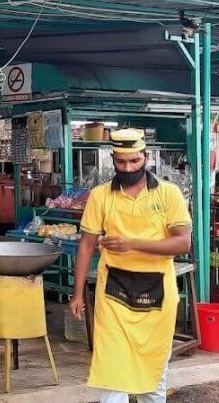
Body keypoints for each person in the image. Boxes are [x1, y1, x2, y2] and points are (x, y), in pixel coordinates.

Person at [68, 129, 193, 403]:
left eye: (134, 161)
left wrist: (132, 244)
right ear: (112, 159)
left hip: (157, 294)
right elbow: (87, 244)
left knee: (153, 371)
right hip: (114, 293)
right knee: (113, 371)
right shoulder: (100, 196)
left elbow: (183, 243)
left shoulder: (169, 194)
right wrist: (78, 292)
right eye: (121, 162)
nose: (128, 167)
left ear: (146, 157)